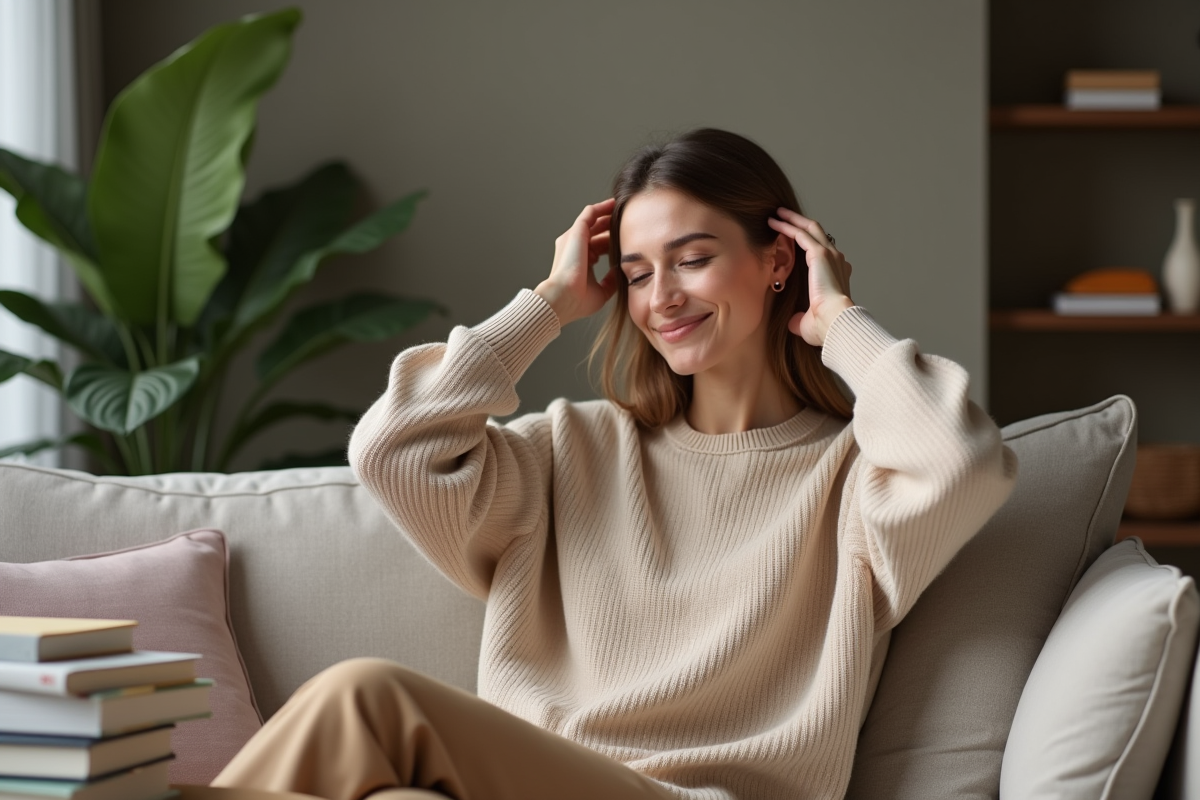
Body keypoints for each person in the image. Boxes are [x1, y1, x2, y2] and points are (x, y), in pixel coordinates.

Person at [212, 128, 1018, 800]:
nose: (660, 296)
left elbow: (963, 464)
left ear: (779, 261)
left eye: (692, 259)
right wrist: (550, 303)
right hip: (526, 785)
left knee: (365, 699)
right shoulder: (574, 448)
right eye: (637, 273)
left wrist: (838, 317)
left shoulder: (855, 479)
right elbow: (391, 451)